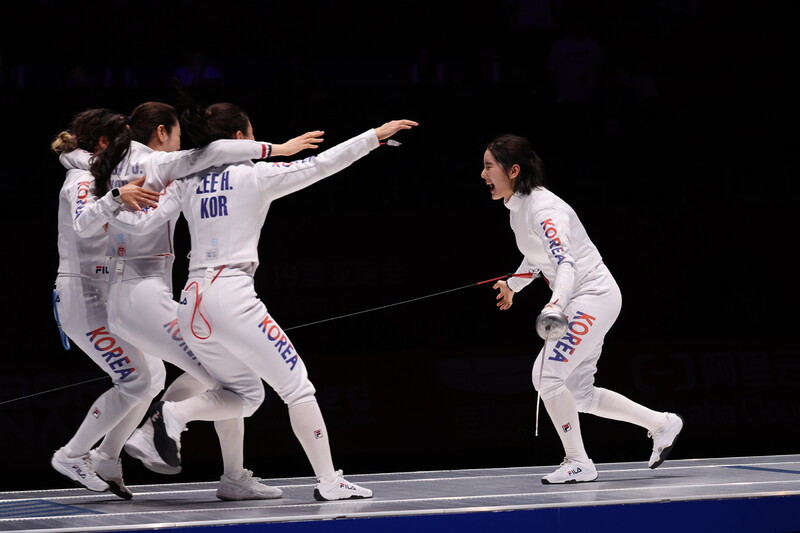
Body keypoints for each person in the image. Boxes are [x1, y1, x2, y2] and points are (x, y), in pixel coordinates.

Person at [112, 98, 417, 501]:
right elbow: (321, 165)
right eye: (252, 133)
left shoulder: (184, 182)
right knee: (298, 389)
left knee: (246, 395)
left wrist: (112, 198)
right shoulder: (253, 175)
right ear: (240, 138)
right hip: (232, 297)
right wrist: (373, 137)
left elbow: (139, 223)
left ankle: (176, 413)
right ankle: (329, 481)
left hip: (192, 301)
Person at [70, 101, 322, 501]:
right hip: (143, 295)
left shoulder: (106, 163)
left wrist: (110, 195)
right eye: (178, 136)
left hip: (129, 296)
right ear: (161, 134)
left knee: (170, 379)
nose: (182, 145)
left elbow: (81, 184)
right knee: (230, 381)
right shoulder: (155, 163)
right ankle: (161, 430)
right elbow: (217, 151)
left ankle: (130, 451)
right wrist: (280, 149)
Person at [482, 133, 683, 484]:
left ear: (513, 170)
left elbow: (566, 264)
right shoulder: (518, 208)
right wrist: (512, 285)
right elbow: (536, 256)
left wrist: (554, 306)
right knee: (579, 394)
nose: (483, 175)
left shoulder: (545, 211)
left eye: (488, 166)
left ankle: (578, 462)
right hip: (585, 299)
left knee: (545, 376)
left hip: (592, 295)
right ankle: (662, 424)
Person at [50, 108, 165, 496]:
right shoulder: (80, 179)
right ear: (103, 144)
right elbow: (84, 221)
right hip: (82, 297)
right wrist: (117, 196)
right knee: (134, 380)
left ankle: (107, 456)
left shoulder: (96, 175)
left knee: (154, 373)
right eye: (120, 144)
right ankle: (72, 454)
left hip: (102, 294)